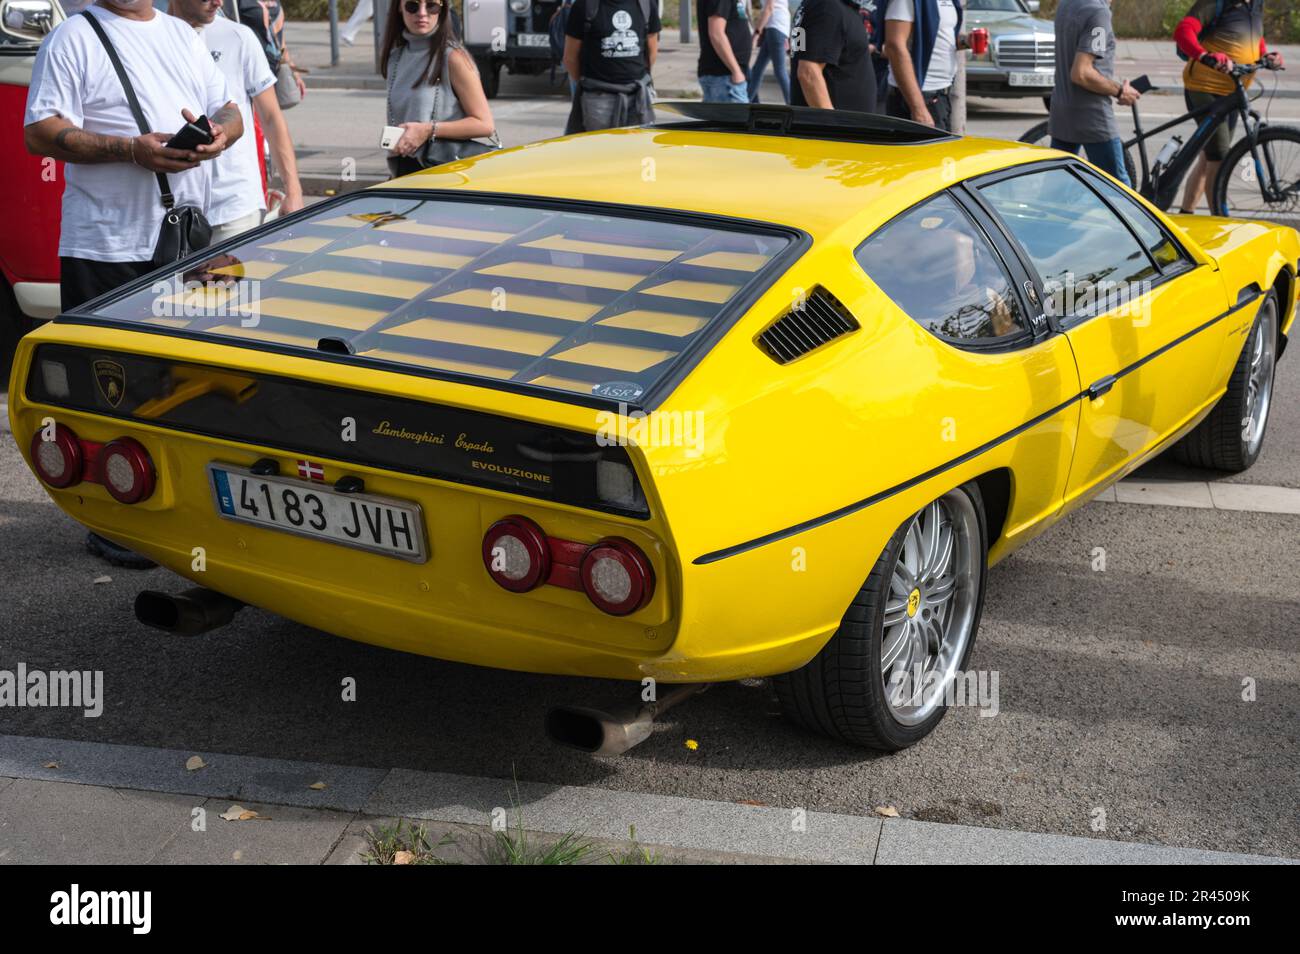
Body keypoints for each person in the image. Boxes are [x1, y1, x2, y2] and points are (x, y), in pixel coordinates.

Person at [24, 0, 242, 568]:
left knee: (176, 386)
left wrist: (221, 135)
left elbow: (231, 107)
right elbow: (40, 133)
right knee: (106, 391)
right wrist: (130, 149)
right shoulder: (73, 37)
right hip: (105, 245)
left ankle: (177, 512)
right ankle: (111, 521)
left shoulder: (181, 34)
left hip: (185, 241)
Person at [171, 0, 304, 243]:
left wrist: (293, 190)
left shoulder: (238, 36)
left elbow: (271, 118)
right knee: (179, 284)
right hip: (174, 207)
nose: (218, 2)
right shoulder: (152, 37)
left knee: (232, 283)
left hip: (235, 206)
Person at [1175, 0, 1282, 213]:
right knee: (1219, 157)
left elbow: (1254, 37)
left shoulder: (1255, 5)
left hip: (1233, 90)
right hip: (1204, 87)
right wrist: (1205, 56)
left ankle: (1185, 213)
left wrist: (1266, 56)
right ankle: (1220, 219)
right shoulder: (1217, 2)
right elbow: (1183, 31)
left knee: (1209, 157)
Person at [380, 0, 495, 177]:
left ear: (442, 9)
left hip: (444, 174)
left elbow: (484, 125)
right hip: (404, 171)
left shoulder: (454, 58)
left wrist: (427, 130)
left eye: (431, 5)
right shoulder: (395, 58)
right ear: (399, 8)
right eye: (412, 6)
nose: (422, 13)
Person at [1048, 0, 1139, 186]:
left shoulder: (1066, 4)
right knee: (1119, 190)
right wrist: (1120, 91)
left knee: (1056, 190)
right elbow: (1081, 73)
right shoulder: (1098, 12)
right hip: (1092, 116)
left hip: (1062, 112)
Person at [562, 0, 659, 133]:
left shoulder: (646, 4)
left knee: (638, 152)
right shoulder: (584, 6)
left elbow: (651, 52)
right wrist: (590, 86)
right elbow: (570, 58)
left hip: (639, 99)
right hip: (598, 101)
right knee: (600, 152)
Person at [883, 0, 964, 130]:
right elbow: (894, 46)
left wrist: (967, 41)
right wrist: (918, 108)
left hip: (941, 95)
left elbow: (942, 37)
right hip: (918, 98)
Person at [791, 0, 877, 111]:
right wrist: (830, 123)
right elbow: (808, 73)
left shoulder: (827, 6)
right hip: (835, 123)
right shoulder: (827, 7)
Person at [238, 0, 306, 102]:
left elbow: (279, 37)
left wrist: (291, 68)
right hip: (253, 71)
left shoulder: (275, 2)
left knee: (270, 114)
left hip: (273, 68)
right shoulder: (238, 2)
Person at [697, 0, 752, 102]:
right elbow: (716, 34)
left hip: (727, 75)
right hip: (724, 76)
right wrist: (736, 70)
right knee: (736, 117)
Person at [747, 0, 791, 104]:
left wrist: (757, 33)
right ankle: (747, 103)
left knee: (780, 71)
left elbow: (769, 8)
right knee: (757, 70)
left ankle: (793, 105)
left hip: (776, 28)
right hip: (775, 28)